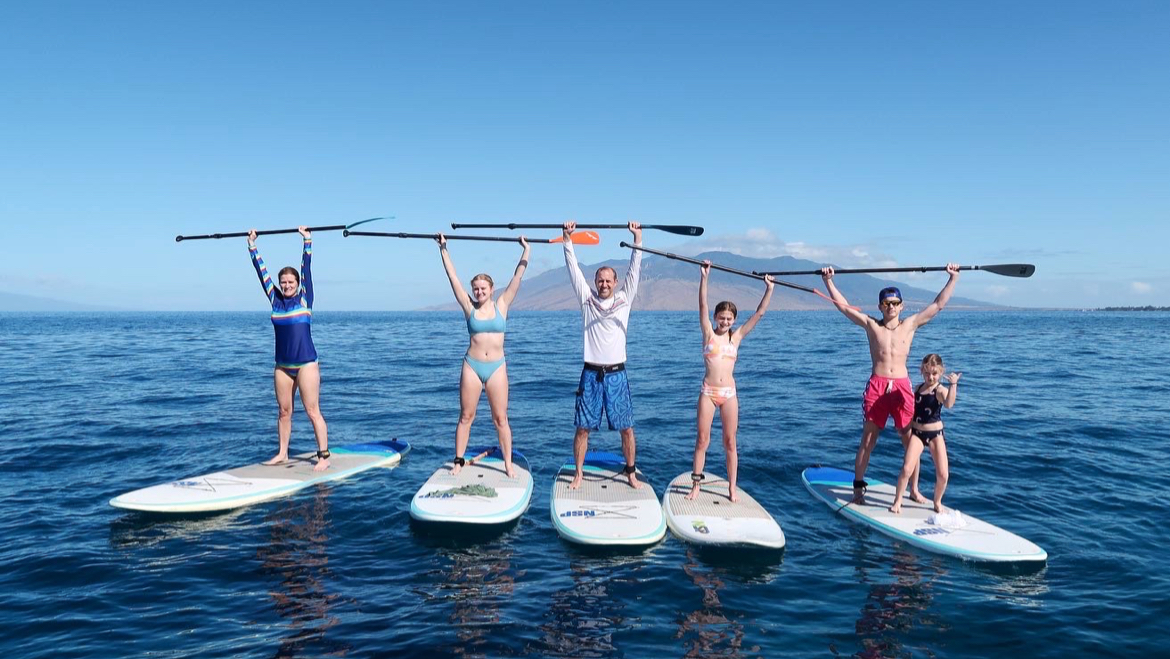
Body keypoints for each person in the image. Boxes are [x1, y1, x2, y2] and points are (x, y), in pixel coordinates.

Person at [820, 263, 960, 503]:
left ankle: (914, 490)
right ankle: (857, 490)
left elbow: (937, 305)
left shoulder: (910, 324)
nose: (891, 307)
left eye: (895, 303)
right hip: (877, 386)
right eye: (886, 303)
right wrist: (828, 281)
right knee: (868, 440)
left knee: (911, 441)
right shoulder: (872, 325)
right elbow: (843, 307)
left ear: (901, 306)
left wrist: (953, 278)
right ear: (880, 306)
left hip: (902, 388)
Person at [437, 233, 530, 477]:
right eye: (476, 289)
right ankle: (458, 461)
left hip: (497, 367)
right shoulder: (469, 307)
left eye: (483, 288)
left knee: (501, 419)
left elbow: (518, 277)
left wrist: (526, 250)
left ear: (491, 289)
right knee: (466, 416)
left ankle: (508, 464)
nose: (479, 292)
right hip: (472, 366)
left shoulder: (502, 305)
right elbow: (453, 278)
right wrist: (443, 249)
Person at [563, 220, 643, 489]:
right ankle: (578, 473)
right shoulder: (587, 300)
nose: (604, 284)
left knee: (626, 428)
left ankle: (630, 472)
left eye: (609, 280)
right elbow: (573, 270)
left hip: (617, 375)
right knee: (582, 428)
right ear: (595, 282)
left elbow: (635, 270)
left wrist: (637, 239)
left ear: (616, 282)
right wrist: (567, 240)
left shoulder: (624, 300)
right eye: (600, 280)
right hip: (590, 375)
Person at [686, 262, 774, 502]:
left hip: (729, 395)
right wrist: (704, 277)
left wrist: (769, 289)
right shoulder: (708, 333)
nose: (725, 321)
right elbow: (702, 305)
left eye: (729, 318)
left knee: (730, 442)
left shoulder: (737, 337)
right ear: (715, 318)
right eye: (721, 317)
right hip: (708, 392)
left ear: (734, 320)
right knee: (702, 440)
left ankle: (732, 488)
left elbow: (759, 313)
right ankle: (696, 485)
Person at [247, 226, 329, 472]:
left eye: (290, 282)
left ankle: (323, 456)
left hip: (306, 364)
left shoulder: (305, 298)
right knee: (284, 412)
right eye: (283, 282)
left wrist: (307, 241)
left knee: (312, 411)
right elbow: (261, 272)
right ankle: (283, 453)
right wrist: (252, 245)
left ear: (297, 283)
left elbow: (306, 268)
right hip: (282, 366)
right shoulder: (275, 299)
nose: (286, 285)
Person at [890, 354, 960, 513]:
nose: (930, 377)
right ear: (922, 371)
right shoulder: (917, 389)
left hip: (935, 435)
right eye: (927, 373)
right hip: (917, 434)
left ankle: (937, 502)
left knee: (943, 474)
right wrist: (904, 426)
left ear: (941, 372)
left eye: (934, 373)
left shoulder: (940, 390)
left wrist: (953, 385)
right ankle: (898, 501)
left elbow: (949, 404)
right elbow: (911, 410)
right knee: (907, 468)